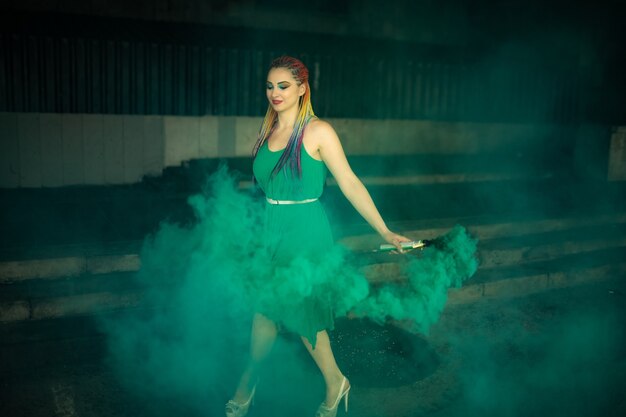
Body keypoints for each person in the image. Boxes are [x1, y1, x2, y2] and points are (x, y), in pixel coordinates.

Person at [225, 55, 410, 417]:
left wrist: (385, 230)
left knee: (300, 310)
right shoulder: (268, 132)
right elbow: (264, 188)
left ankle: (333, 381)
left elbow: (350, 183)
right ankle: (253, 383)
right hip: (272, 229)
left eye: (283, 85)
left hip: (305, 230)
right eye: (269, 86)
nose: (274, 93)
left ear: (301, 88)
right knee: (264, 310)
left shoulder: (319, 131)